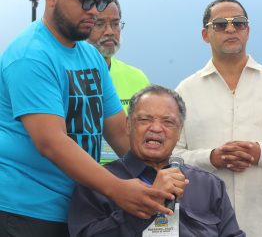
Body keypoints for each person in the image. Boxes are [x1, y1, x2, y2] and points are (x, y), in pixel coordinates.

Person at [0, 0, 173, 236]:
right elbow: (51, 143)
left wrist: (159, 173)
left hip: (81, 207)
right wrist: (117, 188)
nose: (93, 11)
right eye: (84, 1)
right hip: (27, 212)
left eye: (99, 1)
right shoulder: (30, 55)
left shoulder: (89, 55)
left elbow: (118, 130)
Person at [174, 0, 262, 236]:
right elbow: (170, 158)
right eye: (220, 24)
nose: (230, 28)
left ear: (247, 31)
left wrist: (260, 153)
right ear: (205, 35)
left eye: (238, 23)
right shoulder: (185, 92)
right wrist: (212, 158)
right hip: (202, 228)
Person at [68, 85, 245, 237]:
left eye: (168, 122)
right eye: (145, 119)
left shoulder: (208, 185)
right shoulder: (99, 183)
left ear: (179, 131)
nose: (156, 128)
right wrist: (148, 205)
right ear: (129, 125)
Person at [86, 0, 149, 164]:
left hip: (128, 177)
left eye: (115, 24)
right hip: (80, 180)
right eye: (99, 24)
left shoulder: (137, 77)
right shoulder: (69, 73)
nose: (110, 32)